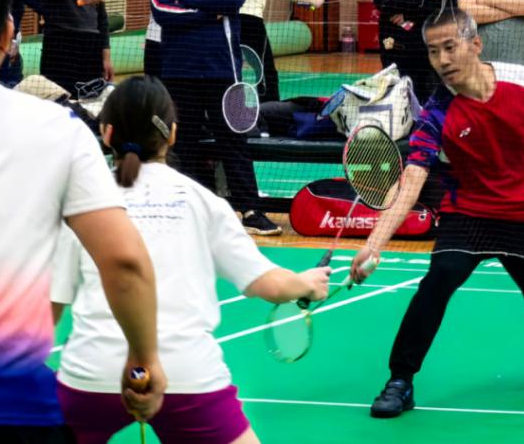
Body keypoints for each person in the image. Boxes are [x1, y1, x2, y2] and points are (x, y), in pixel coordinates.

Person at [0, 0, 165, 437]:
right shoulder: (58, 129)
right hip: (10, 408)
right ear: (7, 34)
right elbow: (124, 261)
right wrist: (144, 359)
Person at [350, 7, 524, 420]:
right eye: (433, 51)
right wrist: (374, 245)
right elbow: (412, 180)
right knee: (437, 283)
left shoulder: (522, 81)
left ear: (475, 44)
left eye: (450, 47)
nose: (442, 60)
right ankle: (400, 379)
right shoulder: (437, 112)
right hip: (468, 215)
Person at [51, 76, 331, 444]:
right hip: (185, 372)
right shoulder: (204, 202)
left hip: (94, 371)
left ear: (106, 133)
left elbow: (50, 304)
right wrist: (306, 283)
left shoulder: (80, 204)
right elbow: (267, 284)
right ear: (172, 134)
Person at [151, 0, 279, 236]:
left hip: (225, 72)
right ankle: (182, 210)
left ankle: (251, 210)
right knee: (182, 145)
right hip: (180, 73)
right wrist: (209, 10)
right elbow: (164, 12)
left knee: (234, 142)